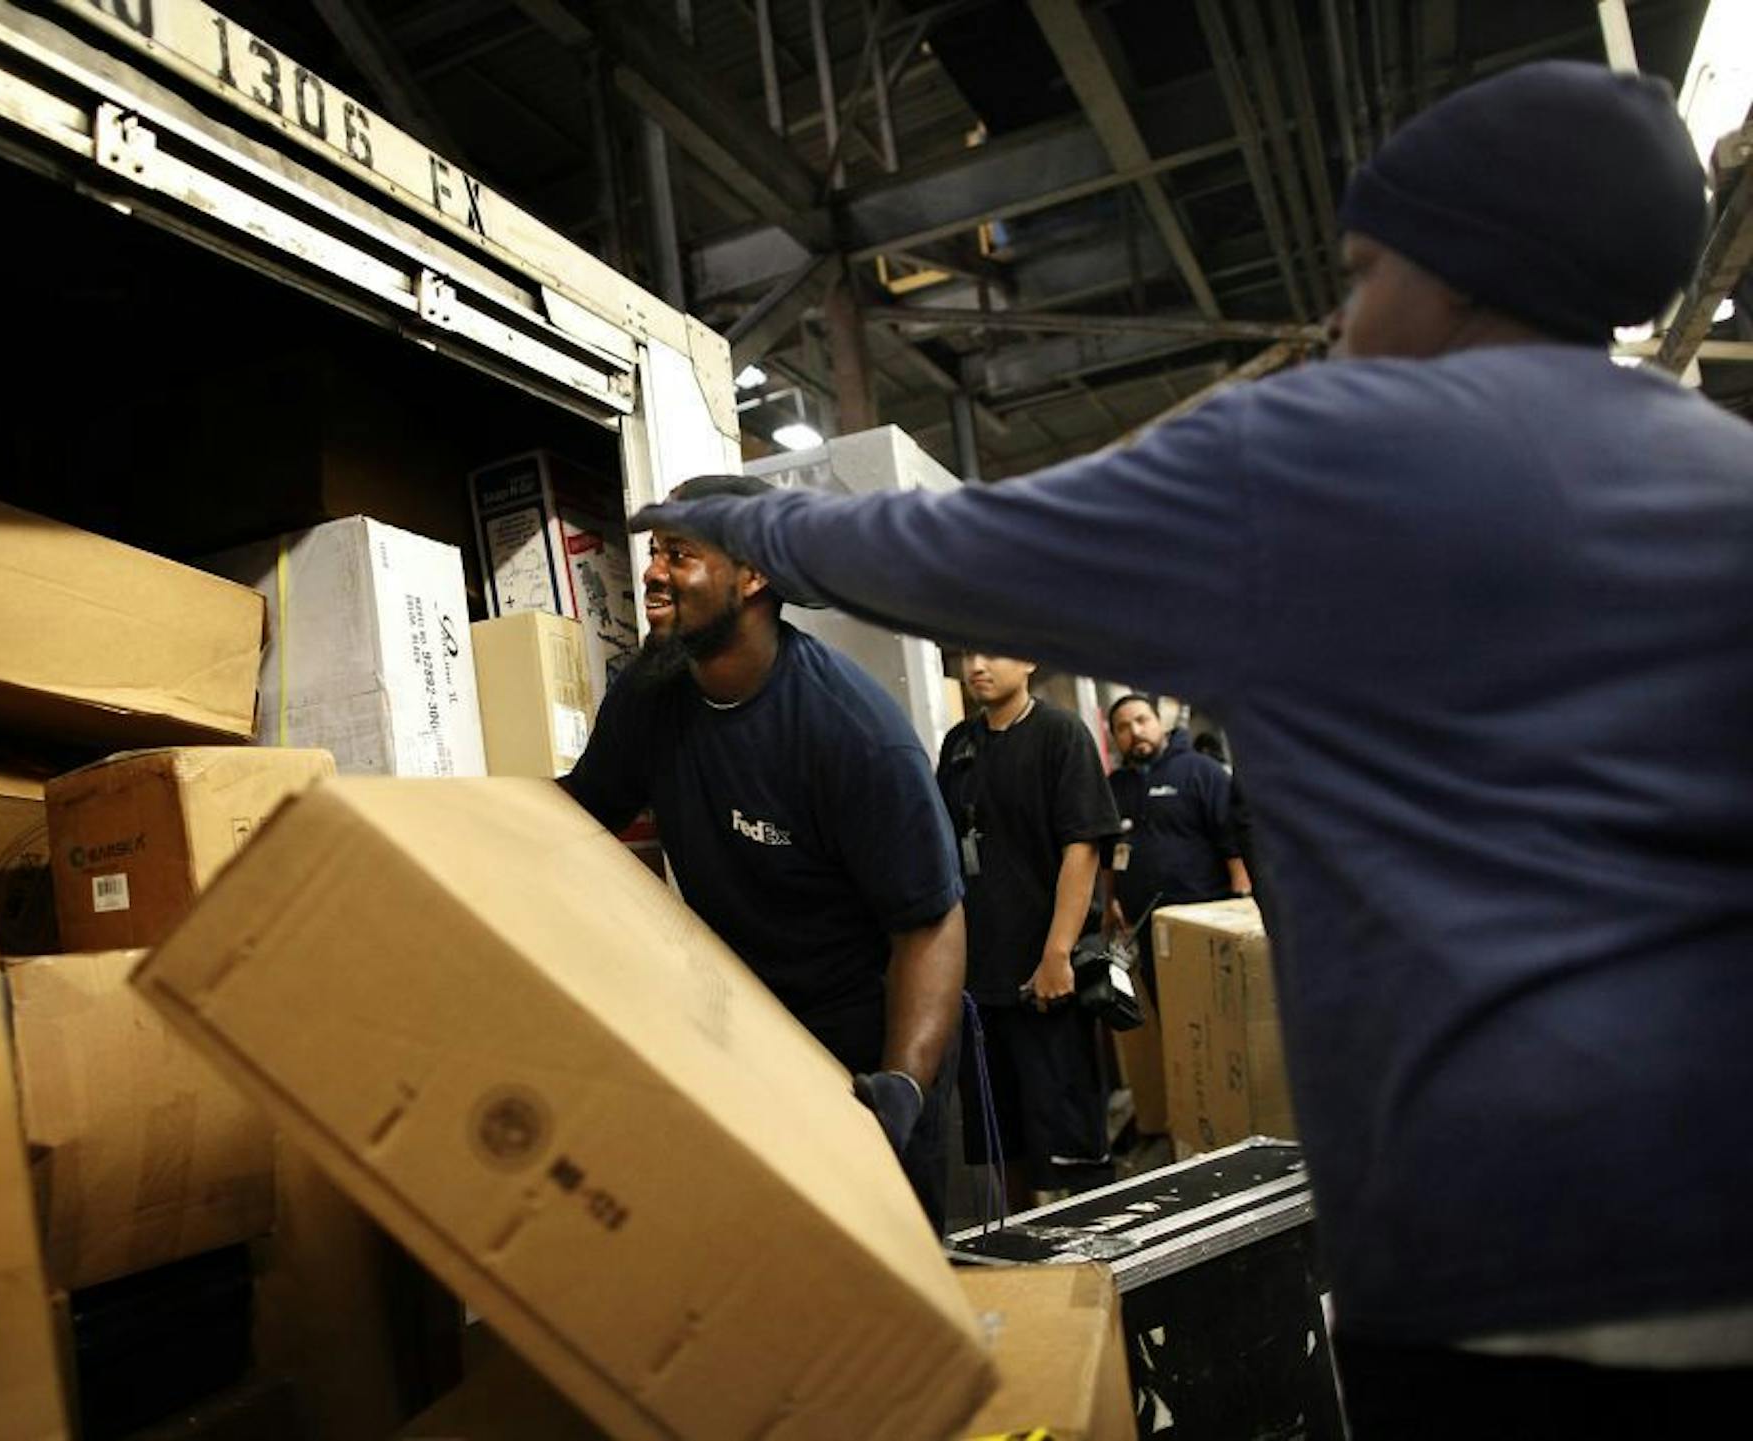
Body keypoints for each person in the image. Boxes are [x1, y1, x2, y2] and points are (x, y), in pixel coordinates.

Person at [628, 62, 1752, 1434]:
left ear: (1458, 272)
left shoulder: (1323, 456)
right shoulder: (1723, 477)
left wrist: (751, 524)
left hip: (1510, 1255)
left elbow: (950, 554)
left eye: (1362, 272)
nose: (1343, 321)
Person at [558, 473, 967, 1229]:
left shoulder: (852, 733)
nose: (652, 571)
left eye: (679, 554)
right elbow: (580, 811)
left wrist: (901, 1083)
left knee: (888, 1291)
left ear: (753, 575)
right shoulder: (652, 693)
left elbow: (931, 923)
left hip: (863, 1043)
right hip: (748, 1030)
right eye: (655, 552)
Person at [939, 654, 1120, 1209]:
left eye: (991, 652)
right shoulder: (959, 746)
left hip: (1046, 978)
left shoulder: (1060, 734)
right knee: (1001, 1140)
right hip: (980, 979)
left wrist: (1057, 954)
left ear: (1028, 659)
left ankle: (1097, 1262)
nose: (976, 665)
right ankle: (1025, 1260)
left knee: (1067, 1142)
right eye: (968, 655)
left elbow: (1082, 847)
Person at [1102, 693, 1249, 998]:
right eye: (1123, 727)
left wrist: (1241, 902)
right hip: (1146, 929)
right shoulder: (1114, 787)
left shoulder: (1200, 771)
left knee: (1217, 1011)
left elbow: (1234, 843)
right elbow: (1110, 852)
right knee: (1172, 1017)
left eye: (1142, 720)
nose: (1135, 732)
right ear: (1115, 737)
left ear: (1160, 723)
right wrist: (1110, 900)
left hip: (1205, 923)